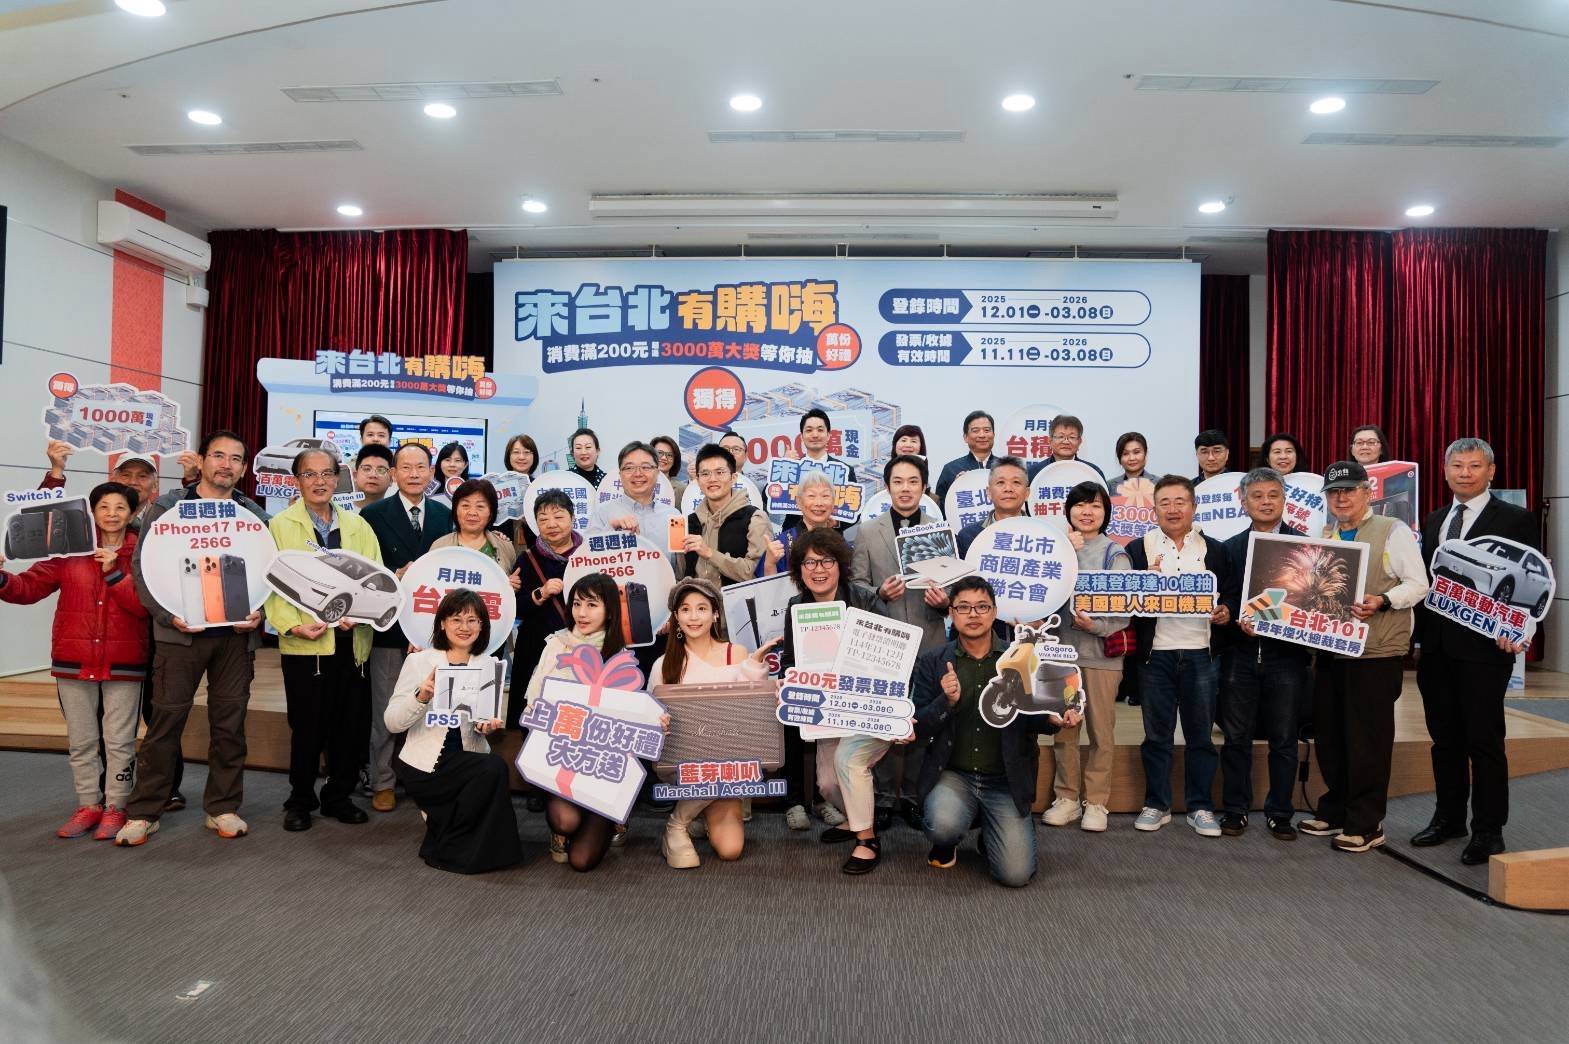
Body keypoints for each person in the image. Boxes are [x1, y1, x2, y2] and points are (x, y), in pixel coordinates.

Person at [115, 430, 269, 846]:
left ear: (243, 468)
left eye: (235, 458)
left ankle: (223, 807)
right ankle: (144, 811)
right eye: (218, 455)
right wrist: (167, 616)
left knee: (230, 724)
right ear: (201, 461)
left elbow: (270, 572)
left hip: (235, 636)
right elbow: (142, 567)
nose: (226, 464)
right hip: (179, 635)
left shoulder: (252, 513)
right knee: (165, 722)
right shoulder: (168, 507)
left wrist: (262, 613)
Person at [1412, 438, 1538, 864]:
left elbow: (1531, 579)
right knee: (1444, 739)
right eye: (1457, 466)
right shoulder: (1435, 519)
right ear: (1445, 471)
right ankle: (1448, 819)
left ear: (1491, 471)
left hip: (1486, 648)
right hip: (1436, 648)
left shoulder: (1516, 519)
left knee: (1484, 740)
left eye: (1474, 466)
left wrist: (1517, 628)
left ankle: (1488, 829)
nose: (1464, 473)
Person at [0, 482, 148, 840]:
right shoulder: (70, 549)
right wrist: (2, 578)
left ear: (132, 513)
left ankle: (116, 806)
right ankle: (88, 805)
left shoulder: (142, 553)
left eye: (120, 507)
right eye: (104, 507)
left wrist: (115, 572)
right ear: (92, 512)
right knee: (81, 741)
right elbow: (28, 587)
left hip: (124, 661)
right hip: (74, 659)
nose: (112, 514)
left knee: (119, 741)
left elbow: (145, 607)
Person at [1299, 460, 1428, 853]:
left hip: (1374, 652)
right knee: (1331, 736)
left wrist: (1384, 600)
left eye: (1349, 490)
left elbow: (1419, 584)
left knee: (1367, 739)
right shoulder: (1323, 534)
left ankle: (1366, 823)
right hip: (1330, 649)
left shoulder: (1392, 530)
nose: (1341, 498)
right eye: (1334, 492)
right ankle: (1336, 809)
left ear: (1367, 492)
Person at [916, 576, 1066, 887]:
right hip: (954, 775)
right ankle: (948, 840)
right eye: (964, 607)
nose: (973, 614)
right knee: (942, 824)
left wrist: (1053, 718)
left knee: (1016, 875)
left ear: (995, 611)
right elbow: (919, 726)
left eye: (982, 607)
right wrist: (947, 701)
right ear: (951, 613)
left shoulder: (1020, 658)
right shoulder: (933, 661)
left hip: (1004, 780)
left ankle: (992, 830)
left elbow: (1034, 718)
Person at [264, 449, 381, 832]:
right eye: (310, 474)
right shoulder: (279, 526)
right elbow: (269, 588)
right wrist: (291, 626)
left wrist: (360, 612)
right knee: (307, 726)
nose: (320, 481)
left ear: (337, 479)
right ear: (297, 480)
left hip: (352, 643)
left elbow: (375, 578)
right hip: (305, 645)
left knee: (349, 725)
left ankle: (338, 796)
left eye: (327, 474)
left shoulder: (358, 525)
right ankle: (300, 800)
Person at [1124, 474, 1232, 838]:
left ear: (1194, 506)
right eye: (1164, 503)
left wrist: (1226, 611)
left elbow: (1230, 594)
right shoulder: (1137, 550)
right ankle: (1157, 803)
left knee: (1201, 736)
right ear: (1154, 509)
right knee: (1157, 736)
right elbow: (1125, 602)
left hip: (1202, 653)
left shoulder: (1215, 550)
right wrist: (1144, 583)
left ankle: (1200, 806)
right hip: (1156, 655)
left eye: (1180, 501)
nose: (1172, 509)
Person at [385, 589, 521, 874]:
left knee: (491, 768)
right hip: (424, 763)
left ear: (482, 626)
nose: (464, 627)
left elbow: (485, 723)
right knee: (492, 768)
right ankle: (452, 849)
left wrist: (486, 726)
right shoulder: (419, 662)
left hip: (467, 757)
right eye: (456, 619)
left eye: (472, 620)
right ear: (442, 623)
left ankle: (454, 839)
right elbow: (392, 723)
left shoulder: (488, 665)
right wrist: (421, 697)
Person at [850, 454, 950, 829]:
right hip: (884, 640)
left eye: (913, 482)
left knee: (921, 719)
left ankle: (912, 796)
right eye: (898, 481)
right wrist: (879, 592)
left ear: (924, 487)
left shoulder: (938, 532)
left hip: (929, 638)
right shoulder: (868, 531)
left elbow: (953, 587)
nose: (905, 489)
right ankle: (883, 797)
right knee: (883, 719)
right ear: (886, 486)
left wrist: (944, 602)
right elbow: (856, 585)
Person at [654, 577, 776, 869]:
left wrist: (756, 668)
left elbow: (752, 713)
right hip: (684, 760)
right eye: (685, 609)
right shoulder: (664, 663)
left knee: (730, 850)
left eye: (701, 608)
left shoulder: (737, 653)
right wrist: (658, 722)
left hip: (730, 762)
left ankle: (697, 814)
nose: (693, 617)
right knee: (709, 767)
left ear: (715, 614)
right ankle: (677, 824)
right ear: (676, 617)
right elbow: (651, 715)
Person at [522, 574, 641, 870]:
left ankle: (609, 813)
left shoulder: (620, 655)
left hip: (600, 764)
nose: (582, 613)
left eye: (592, 605)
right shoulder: (557, 644)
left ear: (610, 610)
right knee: (565, 821)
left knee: (581, 861)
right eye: (576, 604)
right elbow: (533, 700)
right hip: (562, 756)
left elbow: (628, 719)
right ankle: (565, 829)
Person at [360, 443, 454, 813]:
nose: (414, 474)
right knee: (385, 706)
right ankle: (382, 780)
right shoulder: (373, 515)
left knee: (431, 706)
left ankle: (423, 777)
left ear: (431, 473)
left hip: (433, 630)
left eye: (421, 467)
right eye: (406, 467)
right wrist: (392, 575)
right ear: (393, 473)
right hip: (390, 627)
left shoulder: (444, 514)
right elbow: (364, 568)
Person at [1218, 467, 1310, 841]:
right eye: (1257, 496)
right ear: (1244, 502)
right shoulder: (1230, 548)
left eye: (1273, 495)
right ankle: (1235, 809)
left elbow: (1313, 601)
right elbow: (1225, 597)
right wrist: (1230, 615)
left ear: (1285, 499)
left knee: (1284, 739)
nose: (1266, 502)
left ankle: (1280, 813)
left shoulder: (1306, 547)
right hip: (1240, 655)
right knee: (1235, 738)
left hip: (1286, 658)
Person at [1039, 482, 1131, 834]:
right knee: (1064, 731)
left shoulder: (1115, 555)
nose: (1087, 512)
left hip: (1100, 658)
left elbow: (1124, 614)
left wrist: (1095, 626)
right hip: (1060, 656)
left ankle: (1096, 802)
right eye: (1079, 505)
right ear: (1068, 511)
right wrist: (1064, 553)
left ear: (1106, 512)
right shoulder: (1057, 549)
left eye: (1095, 505)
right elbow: (1043, 595)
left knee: (1100, 732)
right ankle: (1066, 798)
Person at [776, 529, 878, 833]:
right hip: (825, 708)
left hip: (863, 704)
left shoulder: (864, 599)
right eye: (810, 562)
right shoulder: (797, 605)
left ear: (840, 565)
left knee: (850, 772)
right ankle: (851, 816)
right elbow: (790, 660)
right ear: (799, 569)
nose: (818, 570)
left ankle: (864, 829)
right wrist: (788, 681)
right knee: (829, 784)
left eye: (826, 561)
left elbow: (886, 657)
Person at [513, 490, 582, 729]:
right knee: (533, 719)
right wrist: (539, 594)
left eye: (559, 516)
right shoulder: (526, 559)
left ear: (573, 518)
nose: (551, 524)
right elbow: (515, 609)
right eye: (543, 519)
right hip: (536, 649)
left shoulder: (589, 556)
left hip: (583, 649)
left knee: (578, 715)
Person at [682, 444, 770, 588]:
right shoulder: (690, 522)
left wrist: (709, 553)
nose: (712, 479)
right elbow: (682, 573)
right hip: (697, 601)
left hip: (739, 602)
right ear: (697, 480)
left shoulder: (754, 518)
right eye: (705, 474)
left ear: (733, 477)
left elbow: (758, 573)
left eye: (720, 472)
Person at [590, 441, 684, 569]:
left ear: (657, 472)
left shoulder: (674, 516)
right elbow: (586, 559)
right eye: (629, 468)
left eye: (646, 467)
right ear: (620, 474)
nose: (638, 474)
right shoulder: (602, 513)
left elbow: (680, 569)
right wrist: (610, 531)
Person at [41, 443, 161, 529]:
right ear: (113, 480)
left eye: (142, 476)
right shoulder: (90, 517)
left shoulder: (165, 519)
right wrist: (57, 469)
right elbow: (45, 522)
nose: (133, 482)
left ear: (155, 485)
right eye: (126, 475)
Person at [433, 478, 521, 577]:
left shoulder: (505, 547)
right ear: (455, 510)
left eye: (480, 506)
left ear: (491, 513)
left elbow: (509, 581)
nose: (472, 513)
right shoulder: (439, 546)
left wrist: (511, 584)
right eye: (465, 505)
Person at [763, 471, 840, 575]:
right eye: (811, 496)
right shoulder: (782, 543)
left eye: (825, 496)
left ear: (833, 502)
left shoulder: (840, 544)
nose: (819, 503)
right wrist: (769, 564)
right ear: (799, 502)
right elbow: (767, 584)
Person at [955, 457, 1031, 558]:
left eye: (1016, 482)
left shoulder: (1042, 534)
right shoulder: (968, 536)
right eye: (1001, 482)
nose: (1008, 489)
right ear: (989, 492)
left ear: (1027, 493)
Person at [933, 410, 997, 506]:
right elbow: (941, 508)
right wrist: (955, 489)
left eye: (987, 430)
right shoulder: (950, 469)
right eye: (975, 431)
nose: (982, 435)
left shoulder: (1006, 468)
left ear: (993, 435)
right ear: (965, 437)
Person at [1026, 414, 1105, 480]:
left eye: (1072, 437)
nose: (1066, 442)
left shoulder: (1092, 472)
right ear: (1050, 440)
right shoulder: (1034, 472)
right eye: (1061, 437)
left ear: (1079, 441)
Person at [650, 434, 686, 505]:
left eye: (669, 455)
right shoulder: (638, 482)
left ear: (674, 460)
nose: (664, 458)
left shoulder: (681, 489)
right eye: (659, 453)